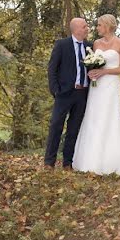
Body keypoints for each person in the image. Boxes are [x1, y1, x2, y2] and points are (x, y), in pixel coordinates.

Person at [72, 14, 120, 178]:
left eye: (99, 25)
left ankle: (112, 161)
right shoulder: (96, 44)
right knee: (94, 118)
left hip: (110, 86)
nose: (96, 28)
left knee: (110, 119)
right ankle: (89, 161)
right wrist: (91, 71)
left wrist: (104, 71)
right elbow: (89, 62)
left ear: (107, 26)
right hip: (96, 88)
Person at [44, 17, 91, 170]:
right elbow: (52, 69)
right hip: (64, 93)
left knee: (74, 129)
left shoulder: (90, 47)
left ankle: (67, 162)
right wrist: (55, 90)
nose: (87, 28)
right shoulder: (62, 45)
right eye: (84, 26)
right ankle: (49, 162)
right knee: (56, 126)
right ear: (76, 29)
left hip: (82, 94)